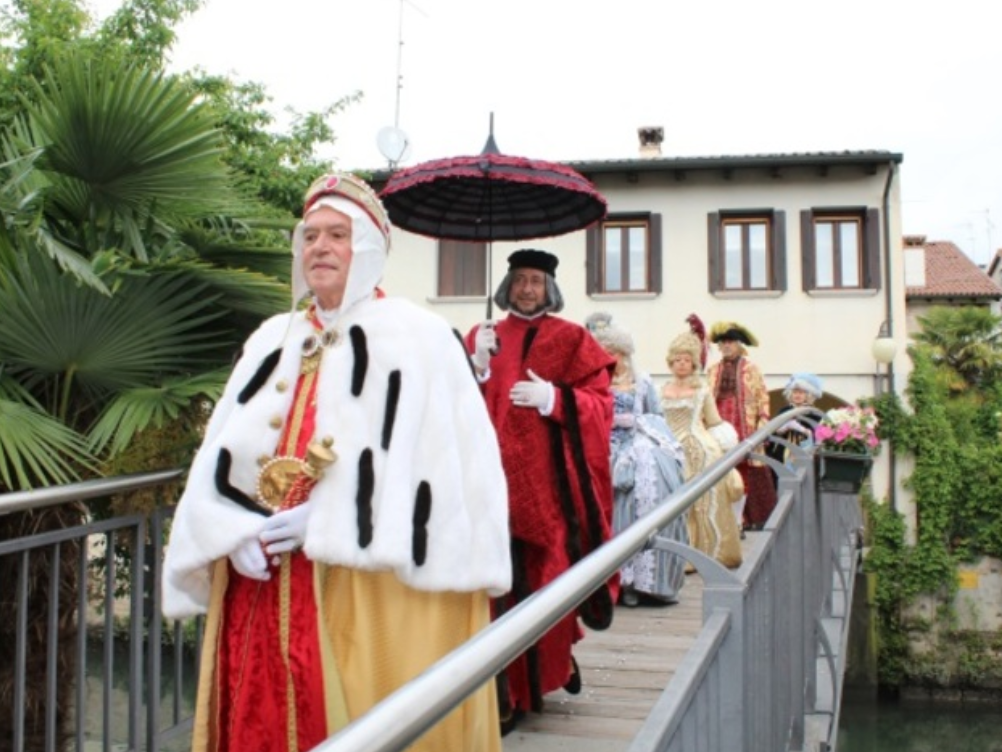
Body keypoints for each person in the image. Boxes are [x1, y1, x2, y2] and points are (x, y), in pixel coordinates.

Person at [161, 173, 512, 752]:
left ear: (368, 249)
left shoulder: (419, 337)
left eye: (338, 236)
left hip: (363, 585)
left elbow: (453, 475)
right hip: (262, 581)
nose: (319, 247)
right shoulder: (272, 338)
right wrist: (228, 529)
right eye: (311, 236)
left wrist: (331, 519)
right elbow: (219, 452)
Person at [464, 249, 616, 731]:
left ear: (549, 289)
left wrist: (554, 398)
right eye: (520, 280)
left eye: (536, 281)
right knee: (493, 587)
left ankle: (547, 669)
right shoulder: (483, 336)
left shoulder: (574, 340)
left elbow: (601, 408)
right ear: (507, 286)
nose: (527, 289)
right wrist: (476, 365)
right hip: (490, 486)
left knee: (548, 582)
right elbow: (452, 404)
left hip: (550, 492)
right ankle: (503, 691)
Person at [586, 312, 688, 606]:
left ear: (626, 354)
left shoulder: (641, 381)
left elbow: (657, 415)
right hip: (605, 446)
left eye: (616, 352)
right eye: (606, 351)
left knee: (653, 487)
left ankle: (645, 581)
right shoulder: (592, 381)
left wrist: (636, 422)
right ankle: (614, 581)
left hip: (639, 445)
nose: (611, 357)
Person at [660, 316, 744, 568]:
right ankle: (678, 557)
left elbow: (715, 421)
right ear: (670, 363)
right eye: (677, 360)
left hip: (699, 450)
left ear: (694, 362)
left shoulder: (702, 389)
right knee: (673, 503)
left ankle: (709, 555)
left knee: (703, 503)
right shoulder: (661, 389)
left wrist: (725, 446)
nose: (682, 364)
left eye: (686, 360)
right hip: (669, 449)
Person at [706, 321, 777, 531]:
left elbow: (762, 396)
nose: (726, 346)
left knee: (746, 471)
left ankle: (743, 518)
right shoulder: (712, 370)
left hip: (744, 424)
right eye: (723, 343)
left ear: (738, 345)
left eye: (730, 342)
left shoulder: (751, 369)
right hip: (719, 424)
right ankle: (724, 518)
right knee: (720, 471)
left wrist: (762, 423)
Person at [767, 372, 823, 483]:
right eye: (795, 392)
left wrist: (803, 430)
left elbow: (818, 437)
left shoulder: (814, 414)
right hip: (781, 455)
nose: (797, 395)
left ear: (809, 395)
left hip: (803, 455)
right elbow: (772, 432)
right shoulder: (784, 411)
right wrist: (782, 430)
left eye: (801, 392)